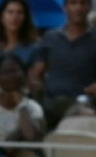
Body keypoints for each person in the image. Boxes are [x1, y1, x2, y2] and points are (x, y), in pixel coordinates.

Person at [28, 0, 96, 128]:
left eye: (83, 3)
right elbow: (36, 74)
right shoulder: (50, 37)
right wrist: (35, 84)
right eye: (73, 3)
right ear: (65, 7)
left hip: (82, 103)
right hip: (51, 103)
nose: (78, 8)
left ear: (89, 7)